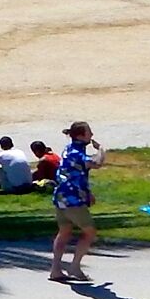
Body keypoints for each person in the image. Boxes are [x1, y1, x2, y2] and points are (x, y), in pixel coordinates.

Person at [48, 120, 105, 283]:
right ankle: (74, 266)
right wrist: (101, 149)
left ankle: (56, 269)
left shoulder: (69, 149)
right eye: (89, 132)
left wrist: (88, 192)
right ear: (81, 135)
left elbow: (75, 175)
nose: (91, 135)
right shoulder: (77, 153)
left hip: (61, 197)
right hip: (73, 201)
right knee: (89, 232)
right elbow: (97, 163)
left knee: (64, 231)